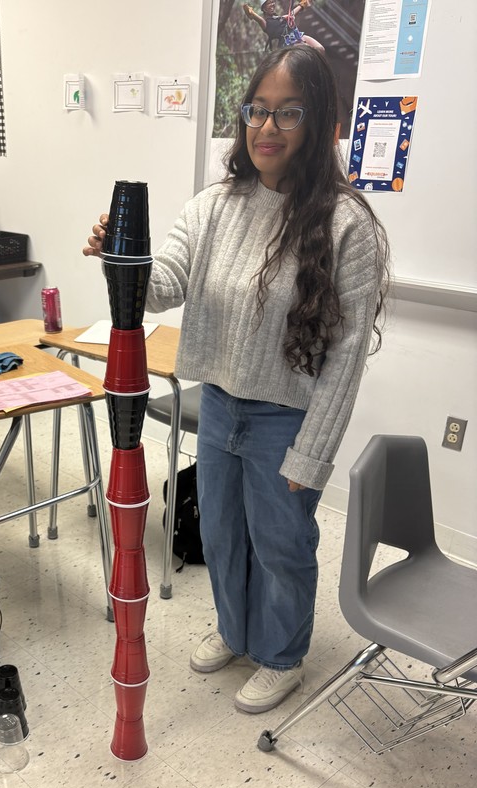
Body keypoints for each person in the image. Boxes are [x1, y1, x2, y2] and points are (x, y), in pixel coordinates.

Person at [84, 45, 388, 714]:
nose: (266, 128)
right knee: (221, 533)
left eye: (287, 113)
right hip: (219, 405)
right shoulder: (214, 205)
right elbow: (160, 290)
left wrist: (314, 453)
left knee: (282, 546)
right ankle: (235, 630)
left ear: (319, 126)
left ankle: (282, 656)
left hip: (288, 419)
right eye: (257, 110)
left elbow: (344, 358)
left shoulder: (348, 226)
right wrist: (120, 255)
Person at [243, 0, 325, 53]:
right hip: (288, 43)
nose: (272, 4)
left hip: (298, 35)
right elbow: (259, 20)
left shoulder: (279, 18)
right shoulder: (266, 23)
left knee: (320, 49)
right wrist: (252, 14)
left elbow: (291, 14)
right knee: (307, 49)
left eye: (273, 2)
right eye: (269, 3)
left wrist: (302, 5)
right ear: (264, 9)